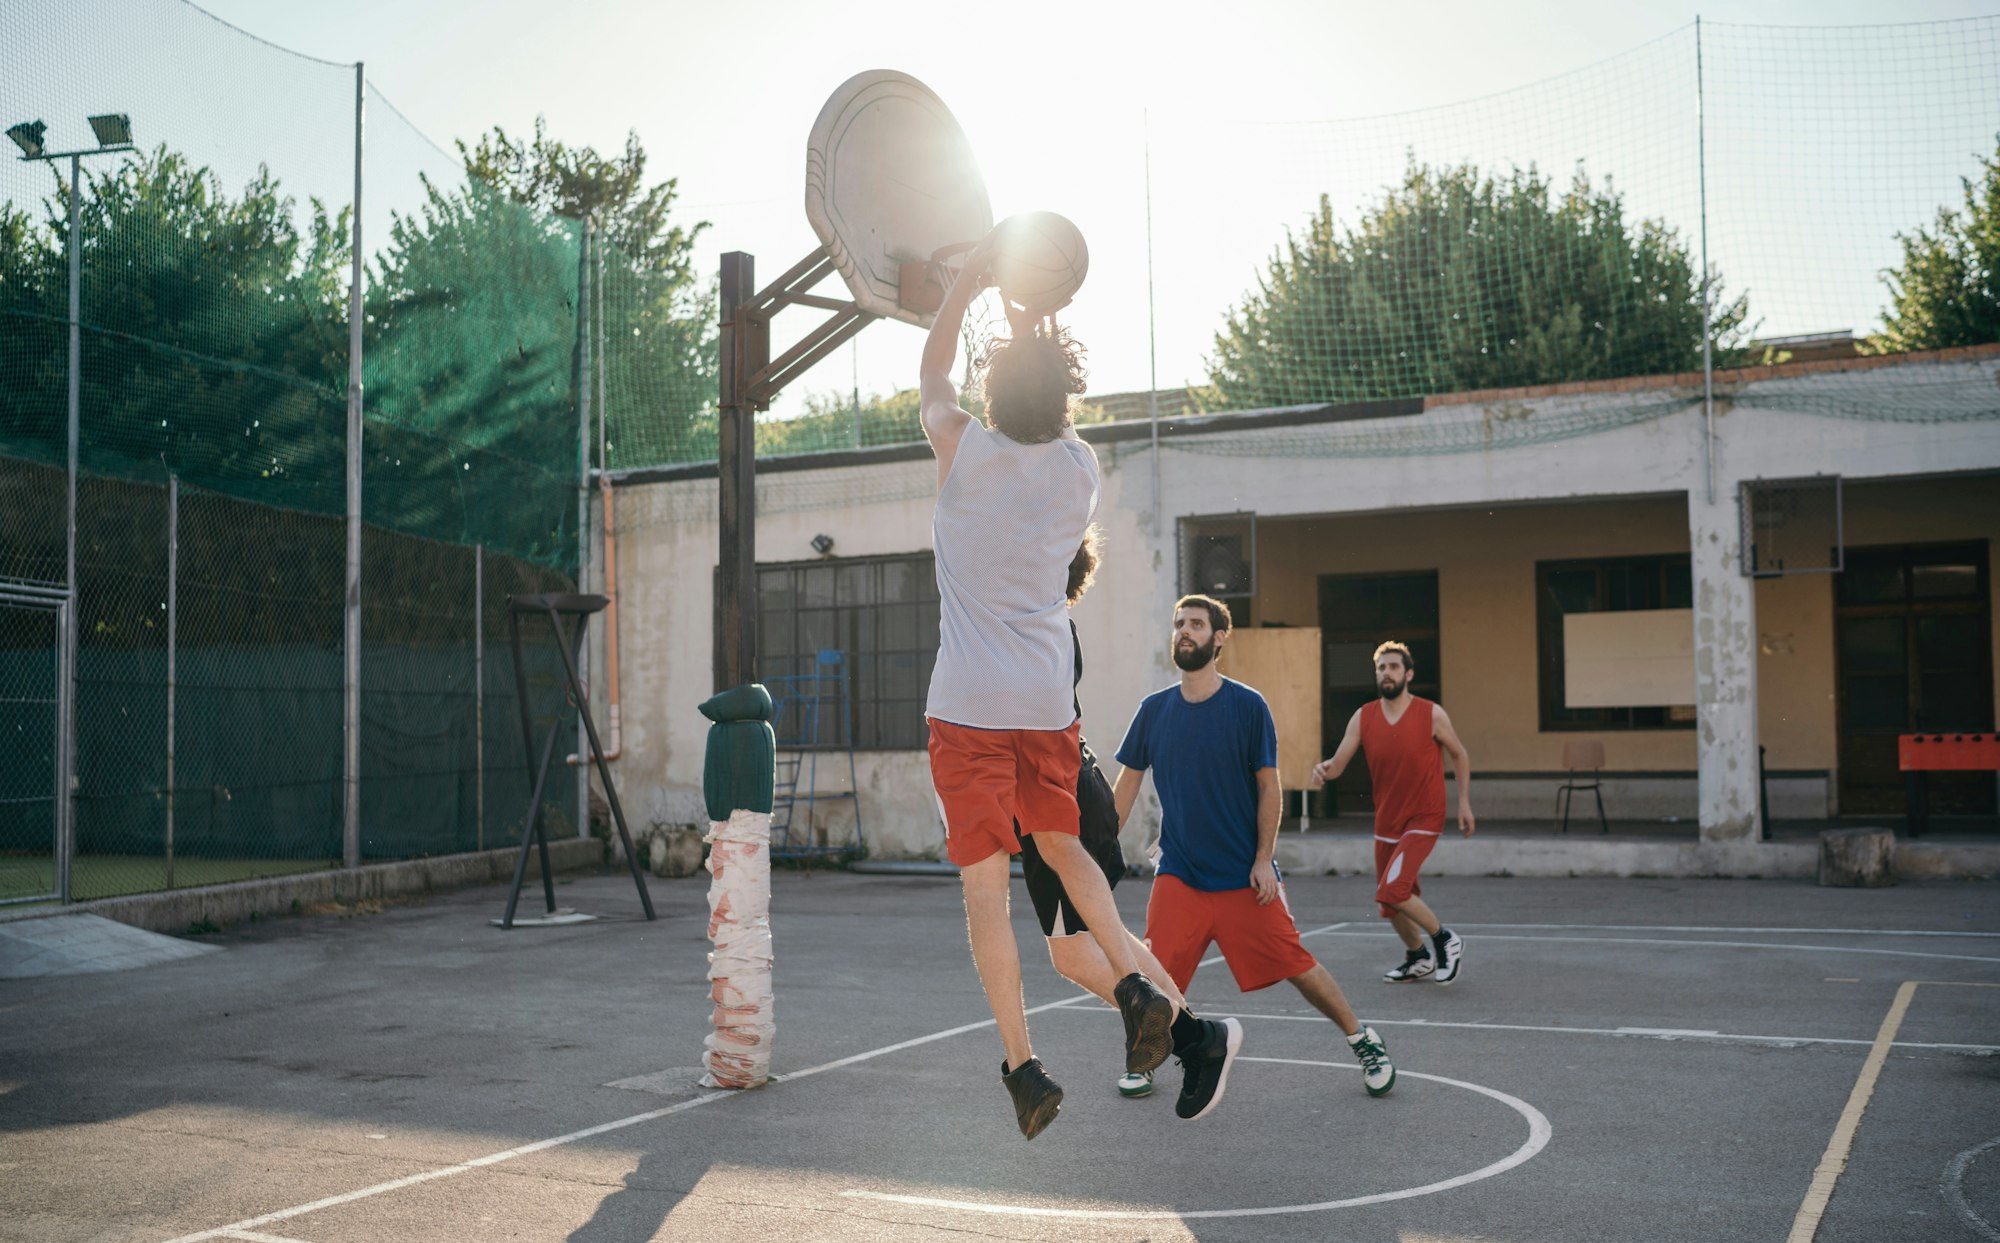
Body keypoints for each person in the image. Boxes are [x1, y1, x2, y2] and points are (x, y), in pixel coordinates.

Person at [919, 233, 1176, 1140]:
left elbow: (935, 371)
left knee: (986, 890)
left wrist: (965, 284)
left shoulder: (961, 448)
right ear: (1062, 399)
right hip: (1043, 705)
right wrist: (1033, 312)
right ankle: (1137, 984)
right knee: (1064, 849)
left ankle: (1024, 1069)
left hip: (969, 707)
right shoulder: (1079, 471)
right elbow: (1038, 404)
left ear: (994, 398)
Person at [1111, 594, 1398, 1111]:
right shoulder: (1153, 712)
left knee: (1297, 966)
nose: (1185, 632)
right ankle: (1146, 1057)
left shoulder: (1247, 706)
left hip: (1243, 876)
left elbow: (1270, 787)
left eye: (1196, 625)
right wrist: (1100, 845)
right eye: (1179, 624)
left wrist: (1264, 858)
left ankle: (1363, 1041)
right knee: (1153, 975)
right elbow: (1128, 783)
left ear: (1220, 638)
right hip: (1180, 872)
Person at [1016, 538, 1244, 1115]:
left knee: (1078, 950)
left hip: (1060, 800)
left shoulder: (1038, 625)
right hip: (1057, 796)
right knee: (1096, 945)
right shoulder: (1039, 622)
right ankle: (1196, 1038)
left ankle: (1194, 1039)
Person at [1310, 640, 1477, 985]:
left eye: (1394, 667)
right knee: (1391, 903)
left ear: (1409, 673)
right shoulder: (1364, 716)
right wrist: (1323, 769)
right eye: (1381, 667)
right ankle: (1417, 957)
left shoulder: (1430, 713)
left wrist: (1463, 802)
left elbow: (1460, 754)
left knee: (1393, 889)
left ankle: (1445, 939)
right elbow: (1339, 763)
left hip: (1424, 816)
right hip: (1387, 820)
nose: (1387, 673)